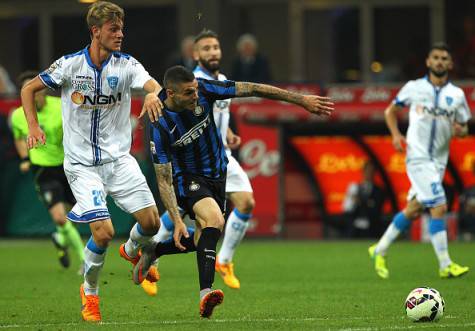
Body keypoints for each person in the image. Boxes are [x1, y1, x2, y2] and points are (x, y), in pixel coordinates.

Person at [133, 65, 333, 318]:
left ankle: (155, 250)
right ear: (170, 93)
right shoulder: (159, 123)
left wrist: (301, 100)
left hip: (219, 173)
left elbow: (253, 88)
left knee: (203, 239)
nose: (196, 96)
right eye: (188, 93)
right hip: (189, 179)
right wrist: (175, 219)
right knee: (214, 221)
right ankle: (206, 293)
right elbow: (163, 178)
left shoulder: (204, 89)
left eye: (195, 90)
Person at [20, 1, 164, 322]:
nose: (120, 34)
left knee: (152, 223)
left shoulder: (126, 66)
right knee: (102, 233)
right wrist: (33, 126)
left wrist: (154, 94)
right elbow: (29, 88)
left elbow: (153, 84)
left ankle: (131, 250)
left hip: (119, 162)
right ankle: (90, 292)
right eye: (113, 29)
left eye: (122, 28)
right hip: (82, 166)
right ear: (95, 31)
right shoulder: (70, 66)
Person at [140, 29, 255, 297]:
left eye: (215, 47)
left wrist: (227, 133)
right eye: (206, 48)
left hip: (221, 157)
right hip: (192, 165)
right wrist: (151, 95)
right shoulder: (194, 83)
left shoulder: (221, 79)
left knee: (238, 209)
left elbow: (215, 115)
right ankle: (154, 255)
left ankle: (221, 260)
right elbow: (164, 96)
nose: (212, 52)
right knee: (188, 217)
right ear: (196, 54)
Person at [368, 42, 471, 279]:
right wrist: (395, 134)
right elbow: (390, 111)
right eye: (435, 57)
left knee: (414, 209)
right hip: (417, 156)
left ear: (450, 64)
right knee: (439, 205)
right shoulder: (414, 88)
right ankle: (445, 264)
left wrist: (460, 130)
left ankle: (379, 249)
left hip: (438, 161)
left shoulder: (456, 95)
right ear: (428, 61)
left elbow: (464, 128)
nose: (439, 62)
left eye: (444, 58)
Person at [10, 71, 85, 273]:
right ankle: (85, 260)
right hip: (42, 170)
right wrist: (26, 158)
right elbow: (18, 137)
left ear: (42, 89)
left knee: (75, 214)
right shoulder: (18, 115)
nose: (33, 94)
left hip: (67, 165)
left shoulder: (60, 106)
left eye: (35, 89)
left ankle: (60, 238)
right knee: (60, 217)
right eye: (27, 91)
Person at [342, 160, 386, 238]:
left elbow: (377, 209)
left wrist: (361, 201)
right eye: (367, 171)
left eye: (371, 171)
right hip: (354, 226)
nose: (369, 173)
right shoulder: (355, 187)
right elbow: (347, 209)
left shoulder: (379, 190)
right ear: (363, 172)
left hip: (371, 227)